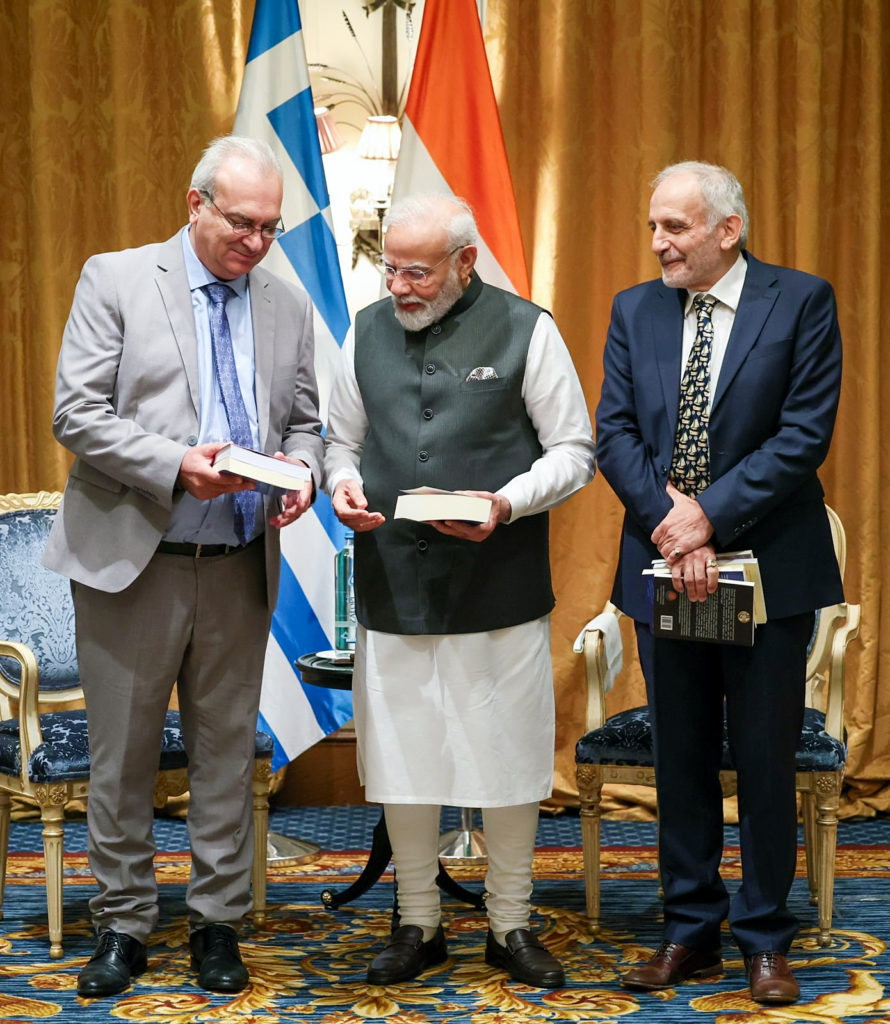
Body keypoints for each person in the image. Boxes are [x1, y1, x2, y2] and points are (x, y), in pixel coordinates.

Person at [43, 135, 324, 998]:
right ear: (194, 203)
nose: (257, 242)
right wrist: (174, 463)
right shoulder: (118, 277)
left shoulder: (285, 301)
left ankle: (215, 923)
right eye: (241, 222)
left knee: (225, 753)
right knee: (122, 758)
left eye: (272, 227)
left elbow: (306, 419)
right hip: (136, 558)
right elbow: (74, 413)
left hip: (238, 560)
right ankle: (123, 923)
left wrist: (303, 471)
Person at [324, 194, 595, 988]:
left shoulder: (526, 327)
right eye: (390, 268)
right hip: (390, 584)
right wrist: (340, 484)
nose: (400, 286)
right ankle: (418, 921)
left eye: (418, 271)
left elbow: (574, 449)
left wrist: (506, 503)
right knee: (402, 759)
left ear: (464, 263)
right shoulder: (365, 330)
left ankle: (510, 922)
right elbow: (341, 440)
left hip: (497, 587)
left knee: (506, 756)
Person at [595, 161, 843, 1005]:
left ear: (726, 231)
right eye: (654, 227)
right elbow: (616, 433)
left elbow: (803, 434)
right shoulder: (636, 310)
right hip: (666, 564)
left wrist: (710, 516)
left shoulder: (800, 300)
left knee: (767, 758)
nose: (658, 243)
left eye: (674, 228)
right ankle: (689, 929)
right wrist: (676, 522)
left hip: (768, 565)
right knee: (682, 756)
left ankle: (767, 935)